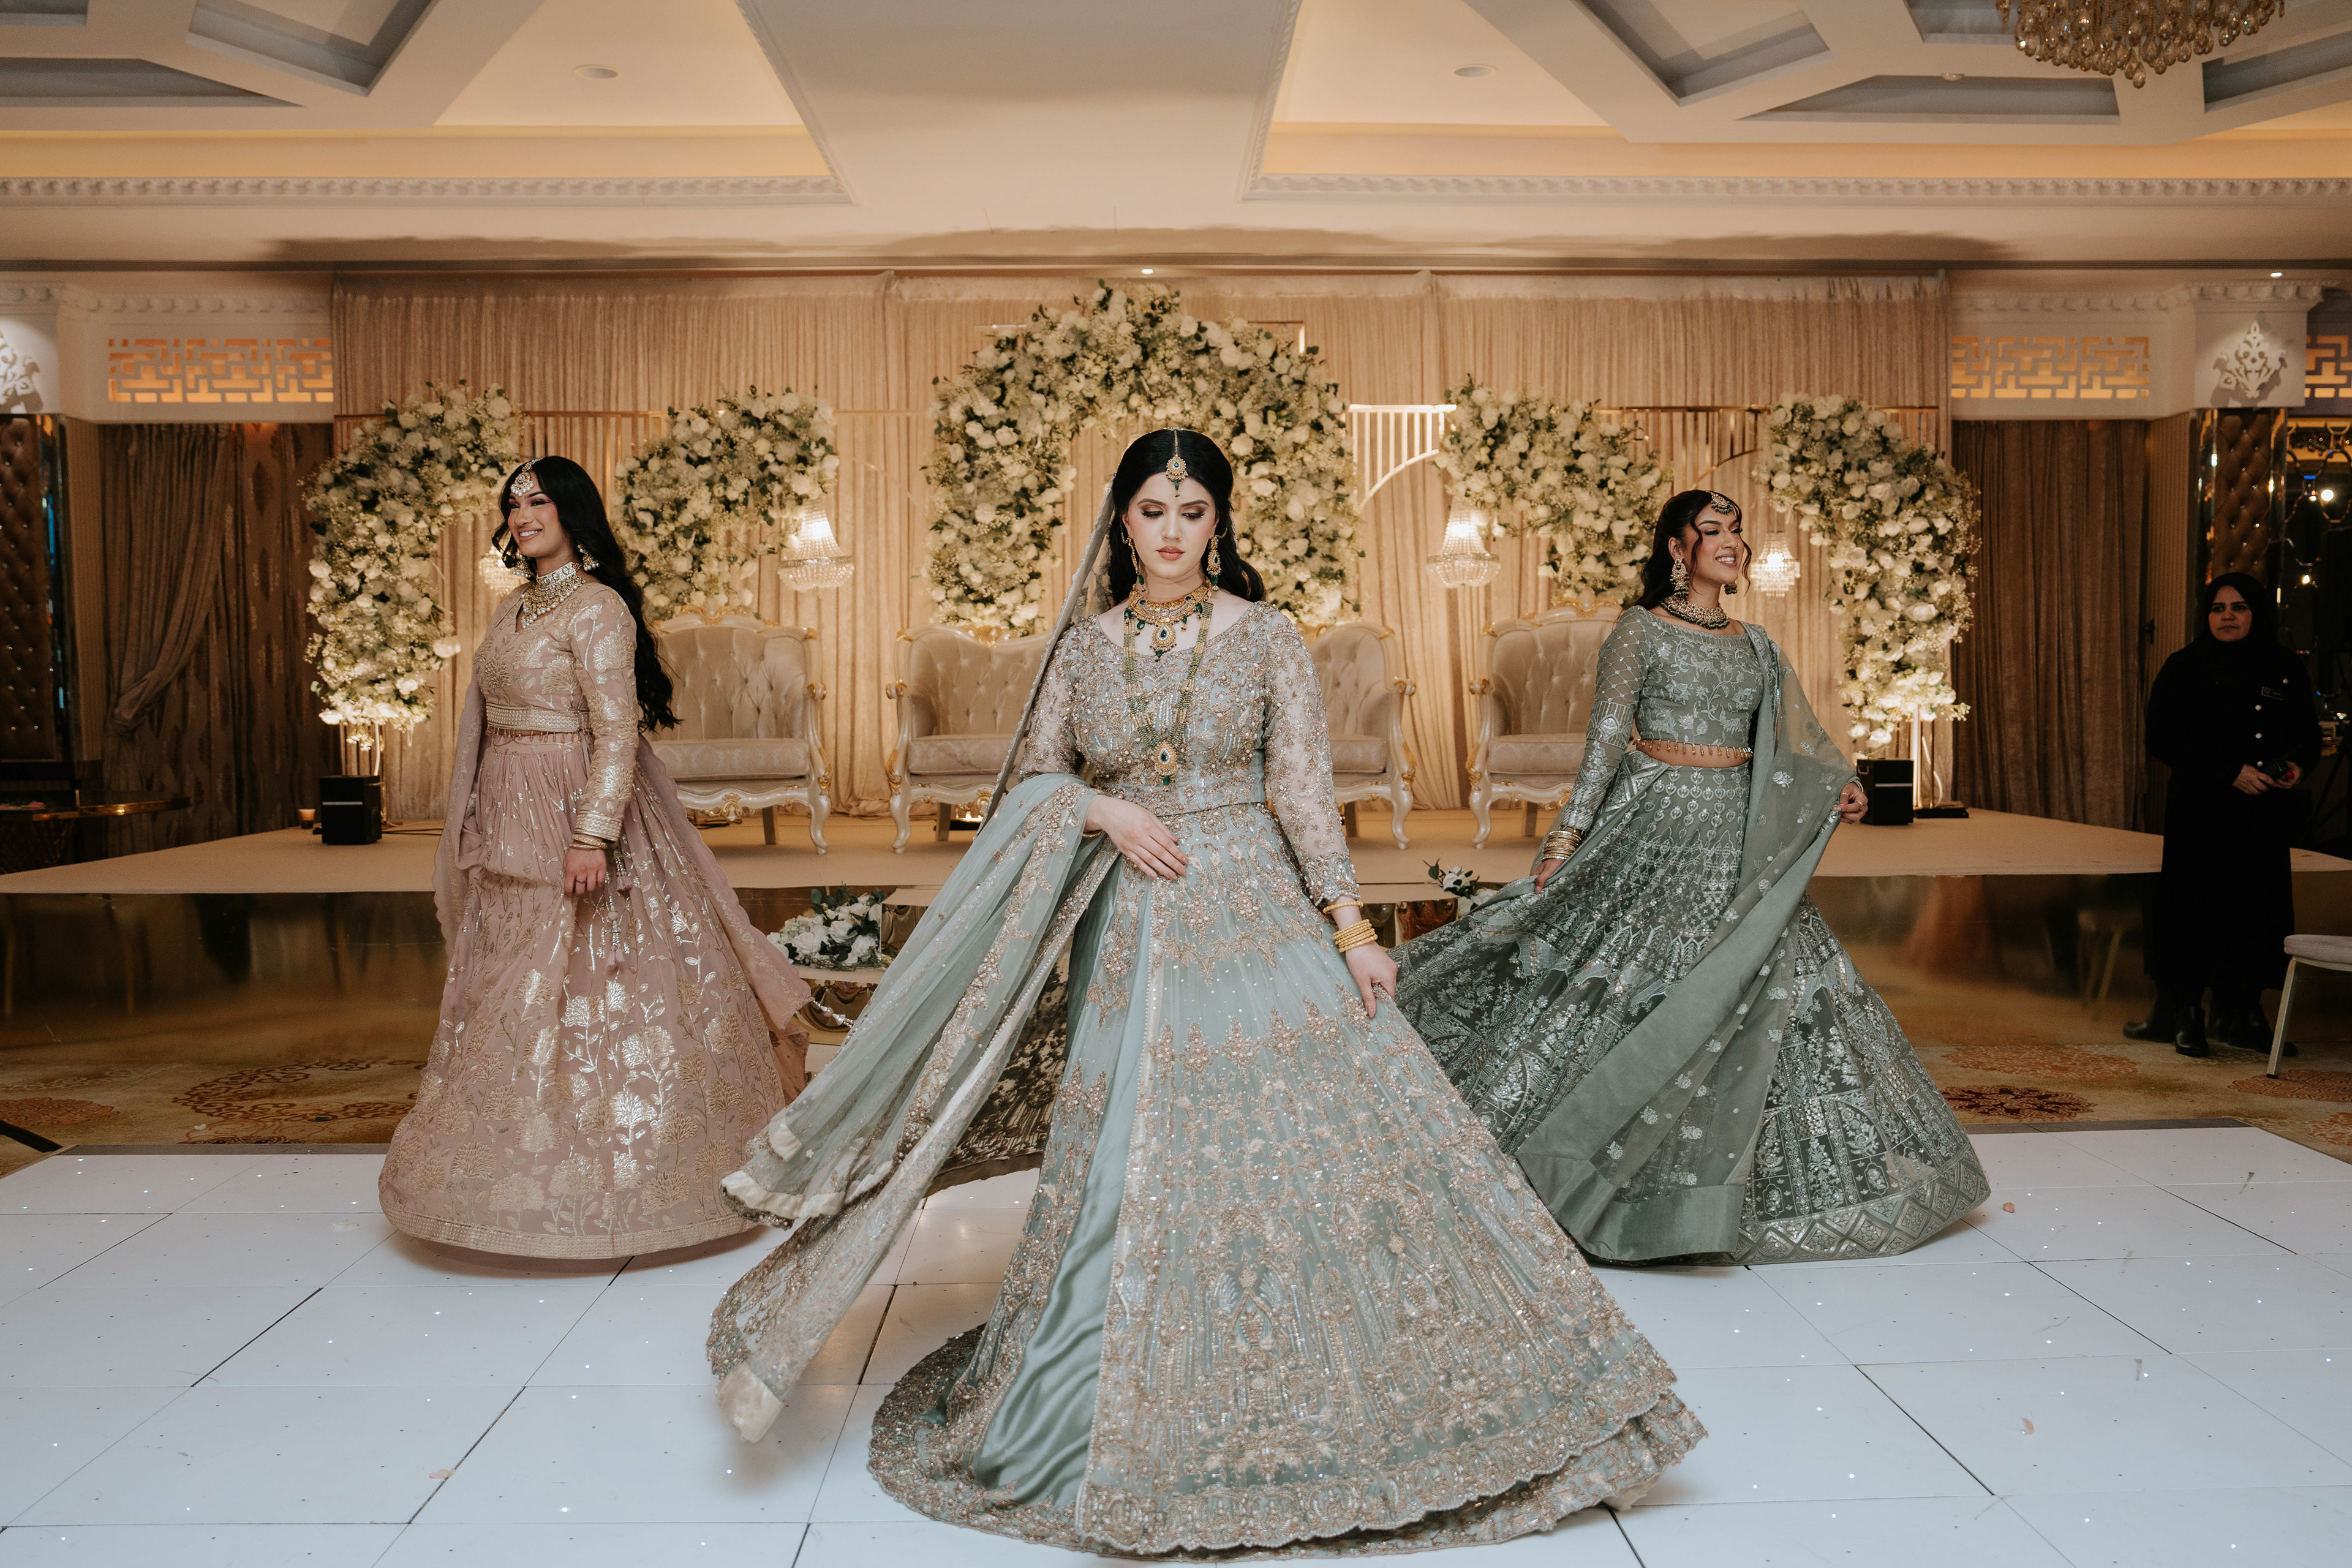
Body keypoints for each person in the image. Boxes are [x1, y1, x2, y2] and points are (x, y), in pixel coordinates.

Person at [707, 431, 1701, 1557]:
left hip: (1254, 908)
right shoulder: (1082, 650)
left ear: (1218, 521)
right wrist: (1100, 810)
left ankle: (1330, 1377)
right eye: (1151, 511)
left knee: (1301, 1141)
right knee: (1133, 1153)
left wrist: (1350, 929)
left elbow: (1302, 789)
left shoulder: (1267, 636)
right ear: (1122, 523)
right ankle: (1108, 1381)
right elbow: (1032, 780)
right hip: (1130, 922)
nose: (1172, 532)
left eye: (1191, 512)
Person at [1392, 489, 1988, 1266]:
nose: (1731, 541)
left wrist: (1839, 783)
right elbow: (1607, 738)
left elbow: (1798, 737)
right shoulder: (1638, 631)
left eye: (1737, 530)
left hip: (1740, 835)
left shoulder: (1757, 644)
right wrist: (1566, 837)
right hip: (1657, 823)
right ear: (1678, 548)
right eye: (1713, 530)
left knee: (1762, 975)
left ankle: (1757, 1183)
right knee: (1641, 973)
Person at [379, 456, 810, 1258]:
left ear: (571, 512)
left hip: (575, 812)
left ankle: (622, 1171)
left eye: (538, 501)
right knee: (509, 984)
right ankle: (505, 1159)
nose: (523, 516)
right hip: (510, 812)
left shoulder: (598, 607)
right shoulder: (513, 607)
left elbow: (616, 732)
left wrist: (592, 835)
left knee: (586, 981)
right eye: (513, 504)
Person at [2127, 573, 2319, 1057]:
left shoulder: (2283, 666)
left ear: (2257, 613)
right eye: (2218, 608)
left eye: (2238, 607)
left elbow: (2307, 734)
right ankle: (2189, 1014)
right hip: (2201, 812)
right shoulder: (2184, 666)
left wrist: (2297, 766)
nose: (2227, 616)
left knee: (2255, 910)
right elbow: (2162, 738)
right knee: (2194, 909)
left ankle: (2246, 1014)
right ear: (2206, 615)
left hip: (2261, 816)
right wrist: (2228, 772)